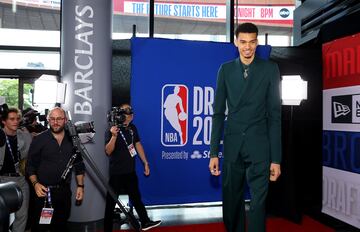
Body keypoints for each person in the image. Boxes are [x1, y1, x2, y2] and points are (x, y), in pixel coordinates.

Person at [208, 22, 282, 232]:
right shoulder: (225, 70)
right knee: (231, 204)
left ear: (257, 43)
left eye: (251, 42)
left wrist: (276, 158)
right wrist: (214, 152)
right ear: (235, 42)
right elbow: (218, 113)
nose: (247, 47)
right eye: (243, 42)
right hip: (233, 145)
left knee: (258, 204)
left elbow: (275, 116)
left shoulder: (270, 69)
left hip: (259, 145)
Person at [26, 107, 85, 232]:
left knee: (61, 226)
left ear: (65, 120)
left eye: (59, 119)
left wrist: (80, 186)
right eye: (52, 119)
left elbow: (79, 164)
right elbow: (30, 165)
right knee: (40, 227)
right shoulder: (39, 139)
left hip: (64, 193)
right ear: (48, 120)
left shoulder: (73, 139)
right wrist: (35, 184)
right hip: (43, 193)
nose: (55, 122)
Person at [104, 103, 161, 231]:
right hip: (116, 173)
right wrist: (114, 136)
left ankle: (145, 222)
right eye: (126, 114)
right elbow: (108, 151)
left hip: (130, 171)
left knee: (136, 198)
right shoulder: (112, 129)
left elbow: (137, 144)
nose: (129, 116)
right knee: (110, 203)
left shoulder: (132, 128)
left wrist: (145, 162)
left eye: (130, 114)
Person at [0, 108, 32, 232]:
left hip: (20, 179)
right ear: (4, 121)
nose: (15, 122)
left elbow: (30, 152)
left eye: (17, 119)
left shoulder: (24, 135)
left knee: (22, 215)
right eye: (11, 119)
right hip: (2, 180)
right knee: (2, 216)